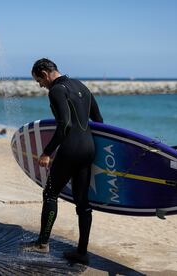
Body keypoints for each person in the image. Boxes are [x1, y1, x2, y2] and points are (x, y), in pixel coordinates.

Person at [23, 58, 103, 265]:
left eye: (38, 80)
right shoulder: (81, 85)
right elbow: (99, 120)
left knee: (50, 193)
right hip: (88, 149)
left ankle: (42, 243)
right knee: (82, 203)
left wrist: (47, 152)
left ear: (44, 73)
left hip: (70, 150)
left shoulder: (56, 90)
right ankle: (82, 252)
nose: (40, 85)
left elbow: (64, 124)